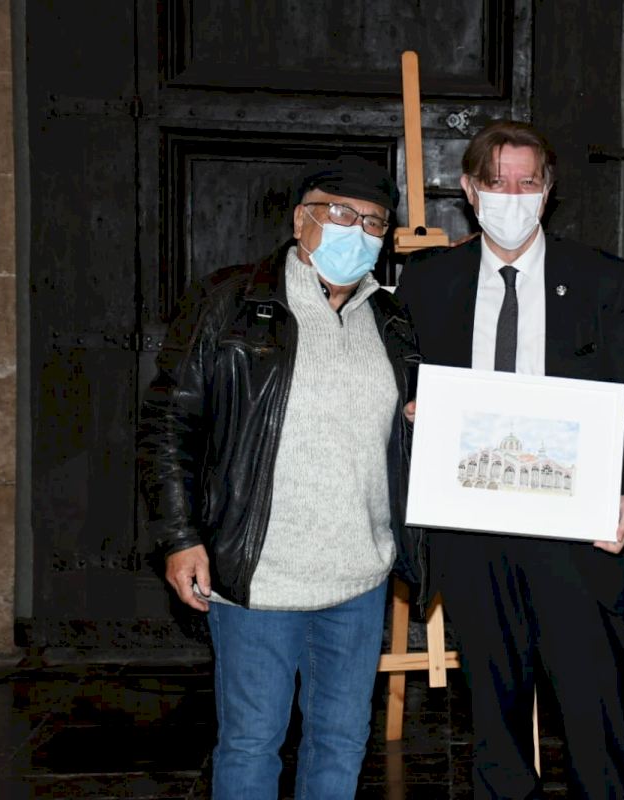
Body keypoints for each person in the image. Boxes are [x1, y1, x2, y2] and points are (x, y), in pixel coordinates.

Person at [395, 119, 624, 800]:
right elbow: (398, 391)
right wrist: (412, 413)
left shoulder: (603, 280)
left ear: (548, 191)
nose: (511, 197)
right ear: (469, 189)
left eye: (527, 182)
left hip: (580, 541)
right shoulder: (427, 284)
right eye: (496, 182)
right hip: (473, 540)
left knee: (596, 720)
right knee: (495, 725)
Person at [138, 156, 420, 800]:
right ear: (300, 221)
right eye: (339, 213)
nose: (356, 231)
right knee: (251, 742)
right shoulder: (229, 302)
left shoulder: (392, 320)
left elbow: (401, 430)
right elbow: (168, 423)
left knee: (341, 741)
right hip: (258, 573)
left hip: (360, 575)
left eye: (373, 222)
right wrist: (180, 537)